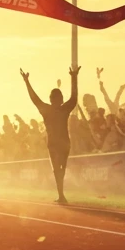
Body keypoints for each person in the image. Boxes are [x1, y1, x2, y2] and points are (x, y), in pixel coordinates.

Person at [21, 65, 79, 204]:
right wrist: (74, 77)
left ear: (51, 99)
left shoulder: (47, 109)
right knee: (61, 168)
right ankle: (61, 194)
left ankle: (61, 194)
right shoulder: (64, 108)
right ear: (60, 99)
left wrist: (26, 82)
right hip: (64, 142)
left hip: (54, 143)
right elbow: (74, 97)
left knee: (57, 169)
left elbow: (34, 98)